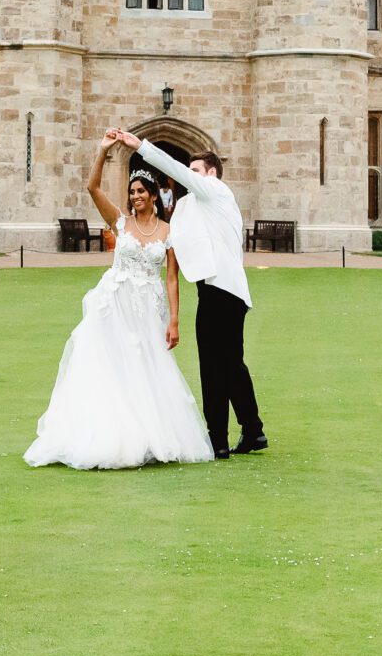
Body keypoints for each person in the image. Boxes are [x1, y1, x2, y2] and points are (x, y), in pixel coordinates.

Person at [23, 132, 215, 470]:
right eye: (132, 191)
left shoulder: (168, 233)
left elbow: (171, 278)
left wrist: (174, 320)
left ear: (154, 195)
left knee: (144, 367)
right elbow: (93, 188)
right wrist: (102, 151)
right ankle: (109, 434)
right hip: (114, 303)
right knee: (111, 366)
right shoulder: (120, 222)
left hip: (148, 306)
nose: (135, 196)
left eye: (141, 191)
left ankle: (148, 435)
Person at [111, 128, 266, 459]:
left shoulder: (217, 192)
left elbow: (178, 173)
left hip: (224, 290)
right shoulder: (189, 206)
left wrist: (140, 146)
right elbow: (173, 240)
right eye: (191, 172)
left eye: (196, 171)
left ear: (210, 174)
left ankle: (220, 439)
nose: (191, 177)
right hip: (211, 290)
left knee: (216, 366)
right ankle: (253, 429)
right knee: (228, 364)